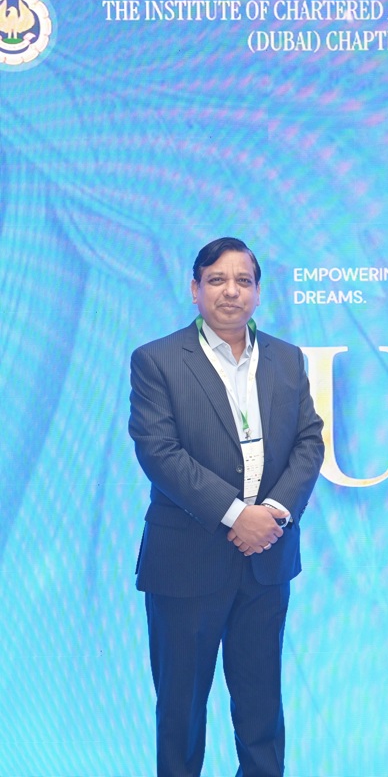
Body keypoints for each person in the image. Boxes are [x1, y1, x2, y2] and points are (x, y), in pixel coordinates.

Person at [129, 237, 324, 776]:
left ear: (258, 292)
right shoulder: (157, 360)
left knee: (262, 712)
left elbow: (309, 441)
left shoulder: (287, 359)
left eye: (243, 280)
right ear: (195, 289)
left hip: (266, 560)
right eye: (216, 280)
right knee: (181, 713)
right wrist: (239, 515)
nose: (230, 291)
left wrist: (275, 512)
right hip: (186, 562)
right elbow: (159, 452)